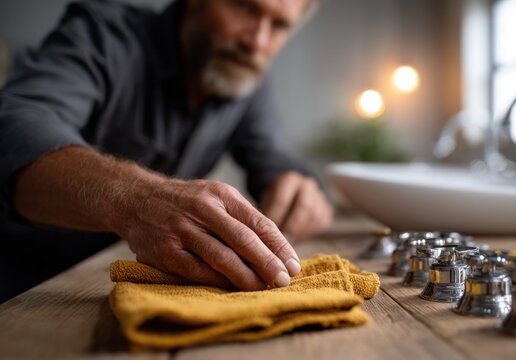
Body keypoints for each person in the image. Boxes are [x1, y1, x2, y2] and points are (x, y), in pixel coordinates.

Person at [0, 0, 333, 302]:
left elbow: (274, 158)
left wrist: (297, 188)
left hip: (110, 291)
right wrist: (135, 199)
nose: (257, 42)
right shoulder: (101, 35)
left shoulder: (245, 78)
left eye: (279, 25)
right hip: (24, 289)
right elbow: (13, 130)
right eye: (244, 7)